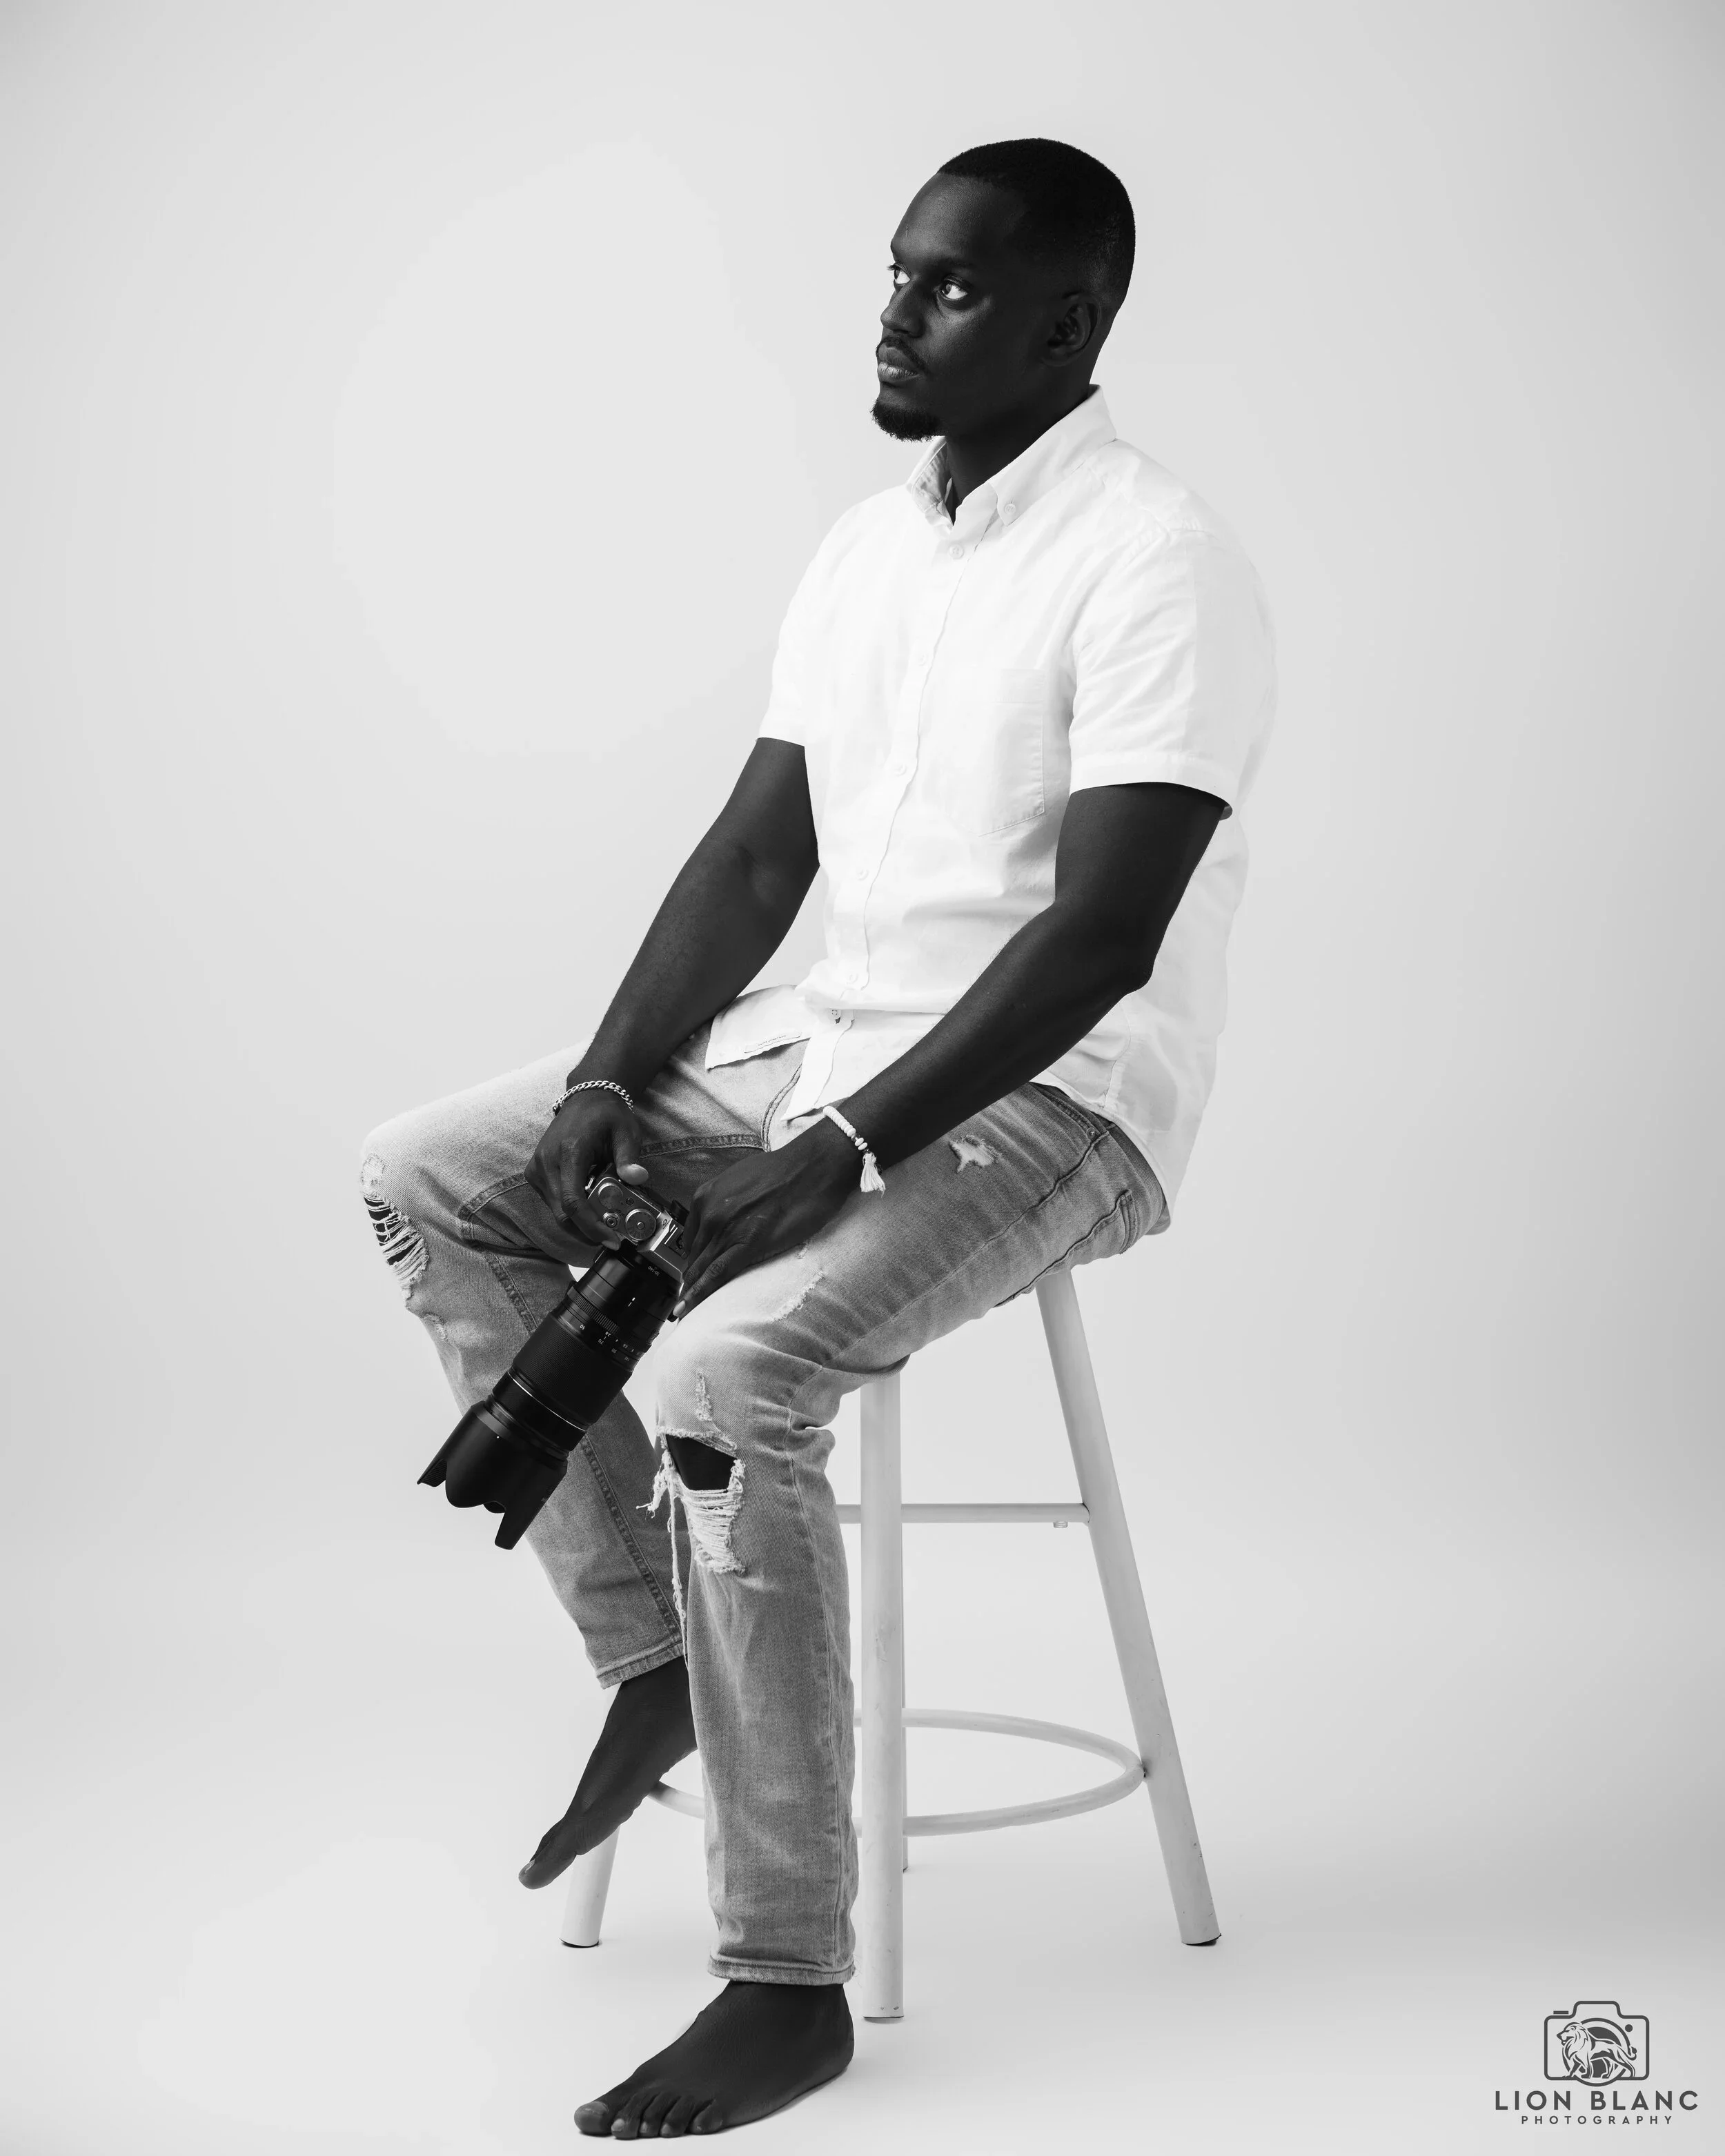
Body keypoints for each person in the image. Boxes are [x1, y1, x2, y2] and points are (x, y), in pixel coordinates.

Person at [359, 136, 1276, 2139]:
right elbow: (760, 846)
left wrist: (841, 1151)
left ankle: (784, 1975)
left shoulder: (1156, 559)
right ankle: (653, 1651)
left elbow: (1100, 939)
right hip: (805, 1052)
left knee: (721, 1370)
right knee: (434, 1164)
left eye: (948, 287)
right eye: (894, 272)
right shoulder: (866, 552)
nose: (895, 309)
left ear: (1069, 321)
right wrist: (613, 1077)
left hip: (1048, 1104)